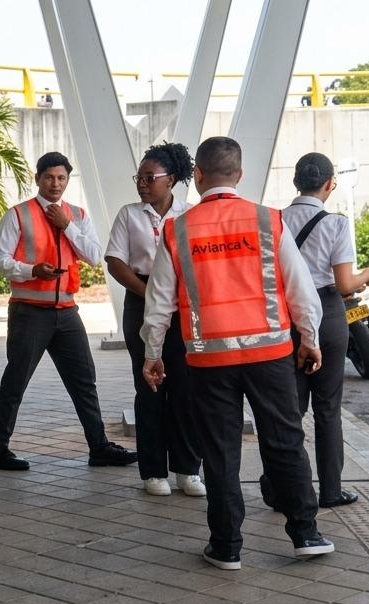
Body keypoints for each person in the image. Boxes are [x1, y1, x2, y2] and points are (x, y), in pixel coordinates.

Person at [141, 137, 332, 571]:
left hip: (208, 360)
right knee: (285, 442)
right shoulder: (268, 220)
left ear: (198, 176)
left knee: (220, 451)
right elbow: (300, 289)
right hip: (271, 353)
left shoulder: (178, 229)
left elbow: (159, 304)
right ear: (239, 175)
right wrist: (310, 338)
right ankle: (305, 533)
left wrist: (153, 354)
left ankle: (226, 546)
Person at [0, 152, 134, 473]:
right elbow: (0, 260)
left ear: (68, 180)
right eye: (49, 177)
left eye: (62, 178)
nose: (56, 184)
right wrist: (32, 270)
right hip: (28, 311)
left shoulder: (77, 215)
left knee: (84, 381)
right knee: (16, 380)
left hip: (67, 311)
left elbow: (94, 255)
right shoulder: (18, 214)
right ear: (37, 178)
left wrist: (67, 227)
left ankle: (99, 447)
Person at [274, 153, 369, 510]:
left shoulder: (275, 220)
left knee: (289, 409)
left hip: (286, 314)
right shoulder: (335, 223)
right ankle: (330, 490)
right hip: (327, 313)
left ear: (295, 182)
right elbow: (345, 284)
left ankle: (281, 489)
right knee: (327, 408)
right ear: (330, 184)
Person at [105, 142, 205, 498]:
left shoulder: (190, 214)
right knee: (149, 386)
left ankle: (188, 469)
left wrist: (172, 296)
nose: (142, 184)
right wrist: (150, 293)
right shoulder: (129, 215)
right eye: (139, 177)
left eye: (150, 177)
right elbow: (115, 261)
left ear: (171, 179)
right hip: (141, 299)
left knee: (185, 388)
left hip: (182, 305)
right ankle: (153, 471)